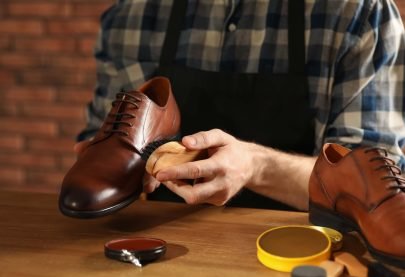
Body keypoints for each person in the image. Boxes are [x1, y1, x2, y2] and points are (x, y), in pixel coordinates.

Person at [76, 0, 405, 211]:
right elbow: (98, 149)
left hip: (300, 256)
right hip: (163, 248)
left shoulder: (359, 15)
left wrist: (256, 167)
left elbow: (372, 193)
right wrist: (128, 166)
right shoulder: (130, 16)